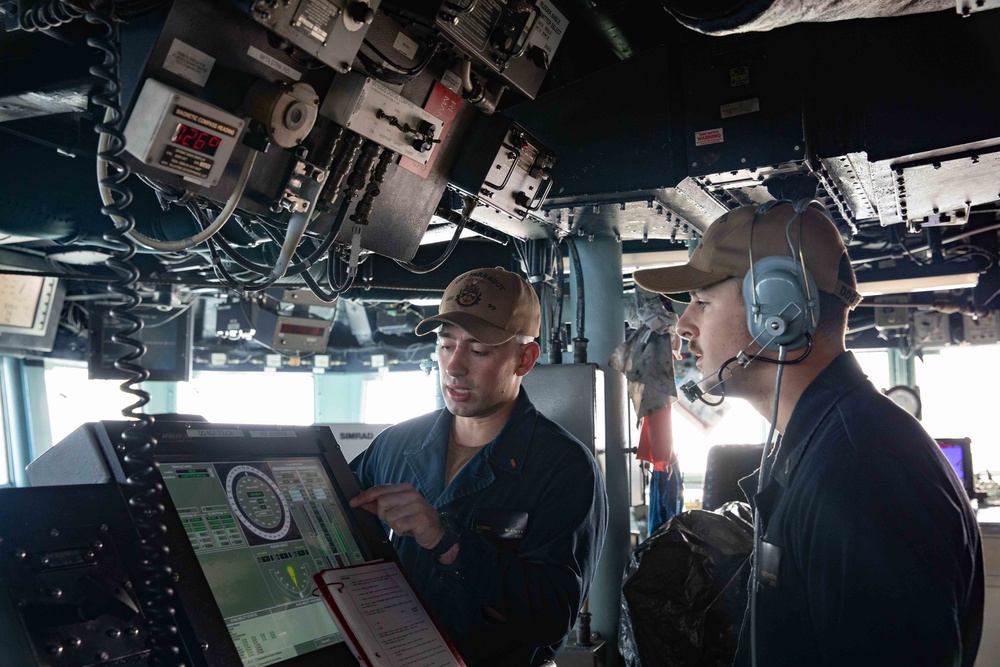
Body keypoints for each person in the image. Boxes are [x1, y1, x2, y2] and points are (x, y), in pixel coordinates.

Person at [633, 200, 984, 666]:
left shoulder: (859, 474)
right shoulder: (821, 441)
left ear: (778, 309)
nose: (683, 325)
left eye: (702, 301)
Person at [349, 266, 609, 666]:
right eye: (445, 344)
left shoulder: (564, 467)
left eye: (478, 350)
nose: (454, 366)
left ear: (524, 358)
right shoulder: (396, 444)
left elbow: (549, 617)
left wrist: (446, 541)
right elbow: (334, 510)